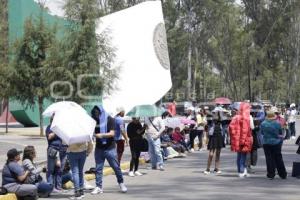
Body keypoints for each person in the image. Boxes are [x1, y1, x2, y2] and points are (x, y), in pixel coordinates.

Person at [91, 105, 127, 195]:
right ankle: (99, 187)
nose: (96, 117)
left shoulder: (110, 119)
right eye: (95, 116)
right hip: (99, 148)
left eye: (97, 115)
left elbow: (112, 133)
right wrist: (93, 134)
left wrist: (101, 135)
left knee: (115, 167)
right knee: (98, 168)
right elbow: (92, 131)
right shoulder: (94, 121)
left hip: (110, 148)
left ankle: (121, 183)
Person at [229, 102, 254, 178]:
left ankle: (242, 170)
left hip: (237, 139)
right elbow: (252, 127)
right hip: (245, 139)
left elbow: (230, 128)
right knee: (244, 155)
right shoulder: (248, 117)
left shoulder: (235, 117)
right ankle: (242, 171)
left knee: (239, 155)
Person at [260, 110, 287, 180]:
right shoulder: (277, 123)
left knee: (269, 159)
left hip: (266, 143)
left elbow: (262, 133)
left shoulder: (263, 123)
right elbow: (280, 133)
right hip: (276, 142)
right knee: (278, 158)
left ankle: (271, 174)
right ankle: (282, 174)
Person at [45, 114, 68, 192]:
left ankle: (58, 187)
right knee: (51, 170)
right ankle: (50, 187)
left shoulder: (62, 128)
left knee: (60, 170)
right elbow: (49, 137)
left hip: (63, 150)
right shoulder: (50, 127)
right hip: (53, 150)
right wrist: (56, 131)